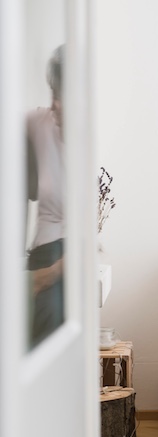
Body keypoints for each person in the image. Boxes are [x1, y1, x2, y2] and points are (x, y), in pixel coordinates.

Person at [26, 45, 66, 348]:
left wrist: (49, 275)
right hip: (42, 249)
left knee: (52, 314)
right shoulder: (38, 124)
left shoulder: (93, 143)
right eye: (54, 93)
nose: (56, 104)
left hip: (70, 257)